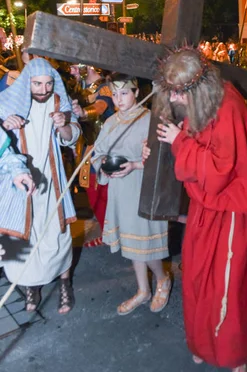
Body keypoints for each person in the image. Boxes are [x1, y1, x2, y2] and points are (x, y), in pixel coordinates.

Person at [146, 47, 247, 372]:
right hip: (206, 208)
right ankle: (203, 341)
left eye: (177, 92)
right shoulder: (200, 100)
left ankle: (235, 355)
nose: (173, 98)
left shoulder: (227, 104)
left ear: (196, 86)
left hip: (231, 210)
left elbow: (219, 171)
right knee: (198, 276)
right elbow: (189, 132)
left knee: (227, 284)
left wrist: (179, 142)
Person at [0, 58, 80, 314]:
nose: (44, 90)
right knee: (25, 236)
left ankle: (65, 282)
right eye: (37, 84)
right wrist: (5, 125)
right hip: (19, 184)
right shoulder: (8, 104)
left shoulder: (58, 102)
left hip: (51, 180)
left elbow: (72, 136)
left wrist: (64, 126)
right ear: (26, 82)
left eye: (48, 83)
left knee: (57, 231)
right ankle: (31, 285)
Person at [91, 74, 170, 315]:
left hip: (142, 188)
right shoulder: (111, 122)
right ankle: (143, 290)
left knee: (146, 241)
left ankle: (162, 279)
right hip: (119, 190)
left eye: (124, 93)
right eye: (114, 94)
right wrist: (102, 161)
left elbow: (164, 159)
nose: (118, 99)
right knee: (131, 244)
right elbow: (97, 153)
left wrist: (135, 165)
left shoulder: (150, 119)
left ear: (136, 92)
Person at [71, 65, 114, 246]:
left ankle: (110, 234)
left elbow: (101, 106)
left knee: (103, 192)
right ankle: (107, 231)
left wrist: (83, 112)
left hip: (104, 147)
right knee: (90, 189)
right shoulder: (79, 86)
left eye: (74, 65)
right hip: (87, 145)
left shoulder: (104, 87)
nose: (71, 69)